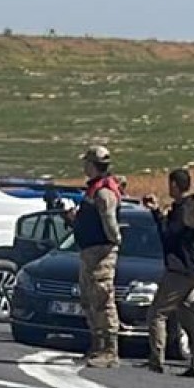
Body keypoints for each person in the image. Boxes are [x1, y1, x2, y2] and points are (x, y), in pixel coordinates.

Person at [144, 168, 194, 376]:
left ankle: (156, 360)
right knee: (189, 317)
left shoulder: (182, 210)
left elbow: (170, 236)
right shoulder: (189, 208)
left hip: (180, 268)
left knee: (157, 313)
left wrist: (156, 214)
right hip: (193, 269)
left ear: (173, 185)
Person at [73, 146, 123, 367]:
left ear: (94, 165)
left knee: (102, 298)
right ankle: (95, 345)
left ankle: (109, 350)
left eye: (87, 163)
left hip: (100, 252)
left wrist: (114, 239)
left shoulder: (104, 192)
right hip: (89, 250)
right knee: (89, 298)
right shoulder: (93, 189)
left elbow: (109, 221)